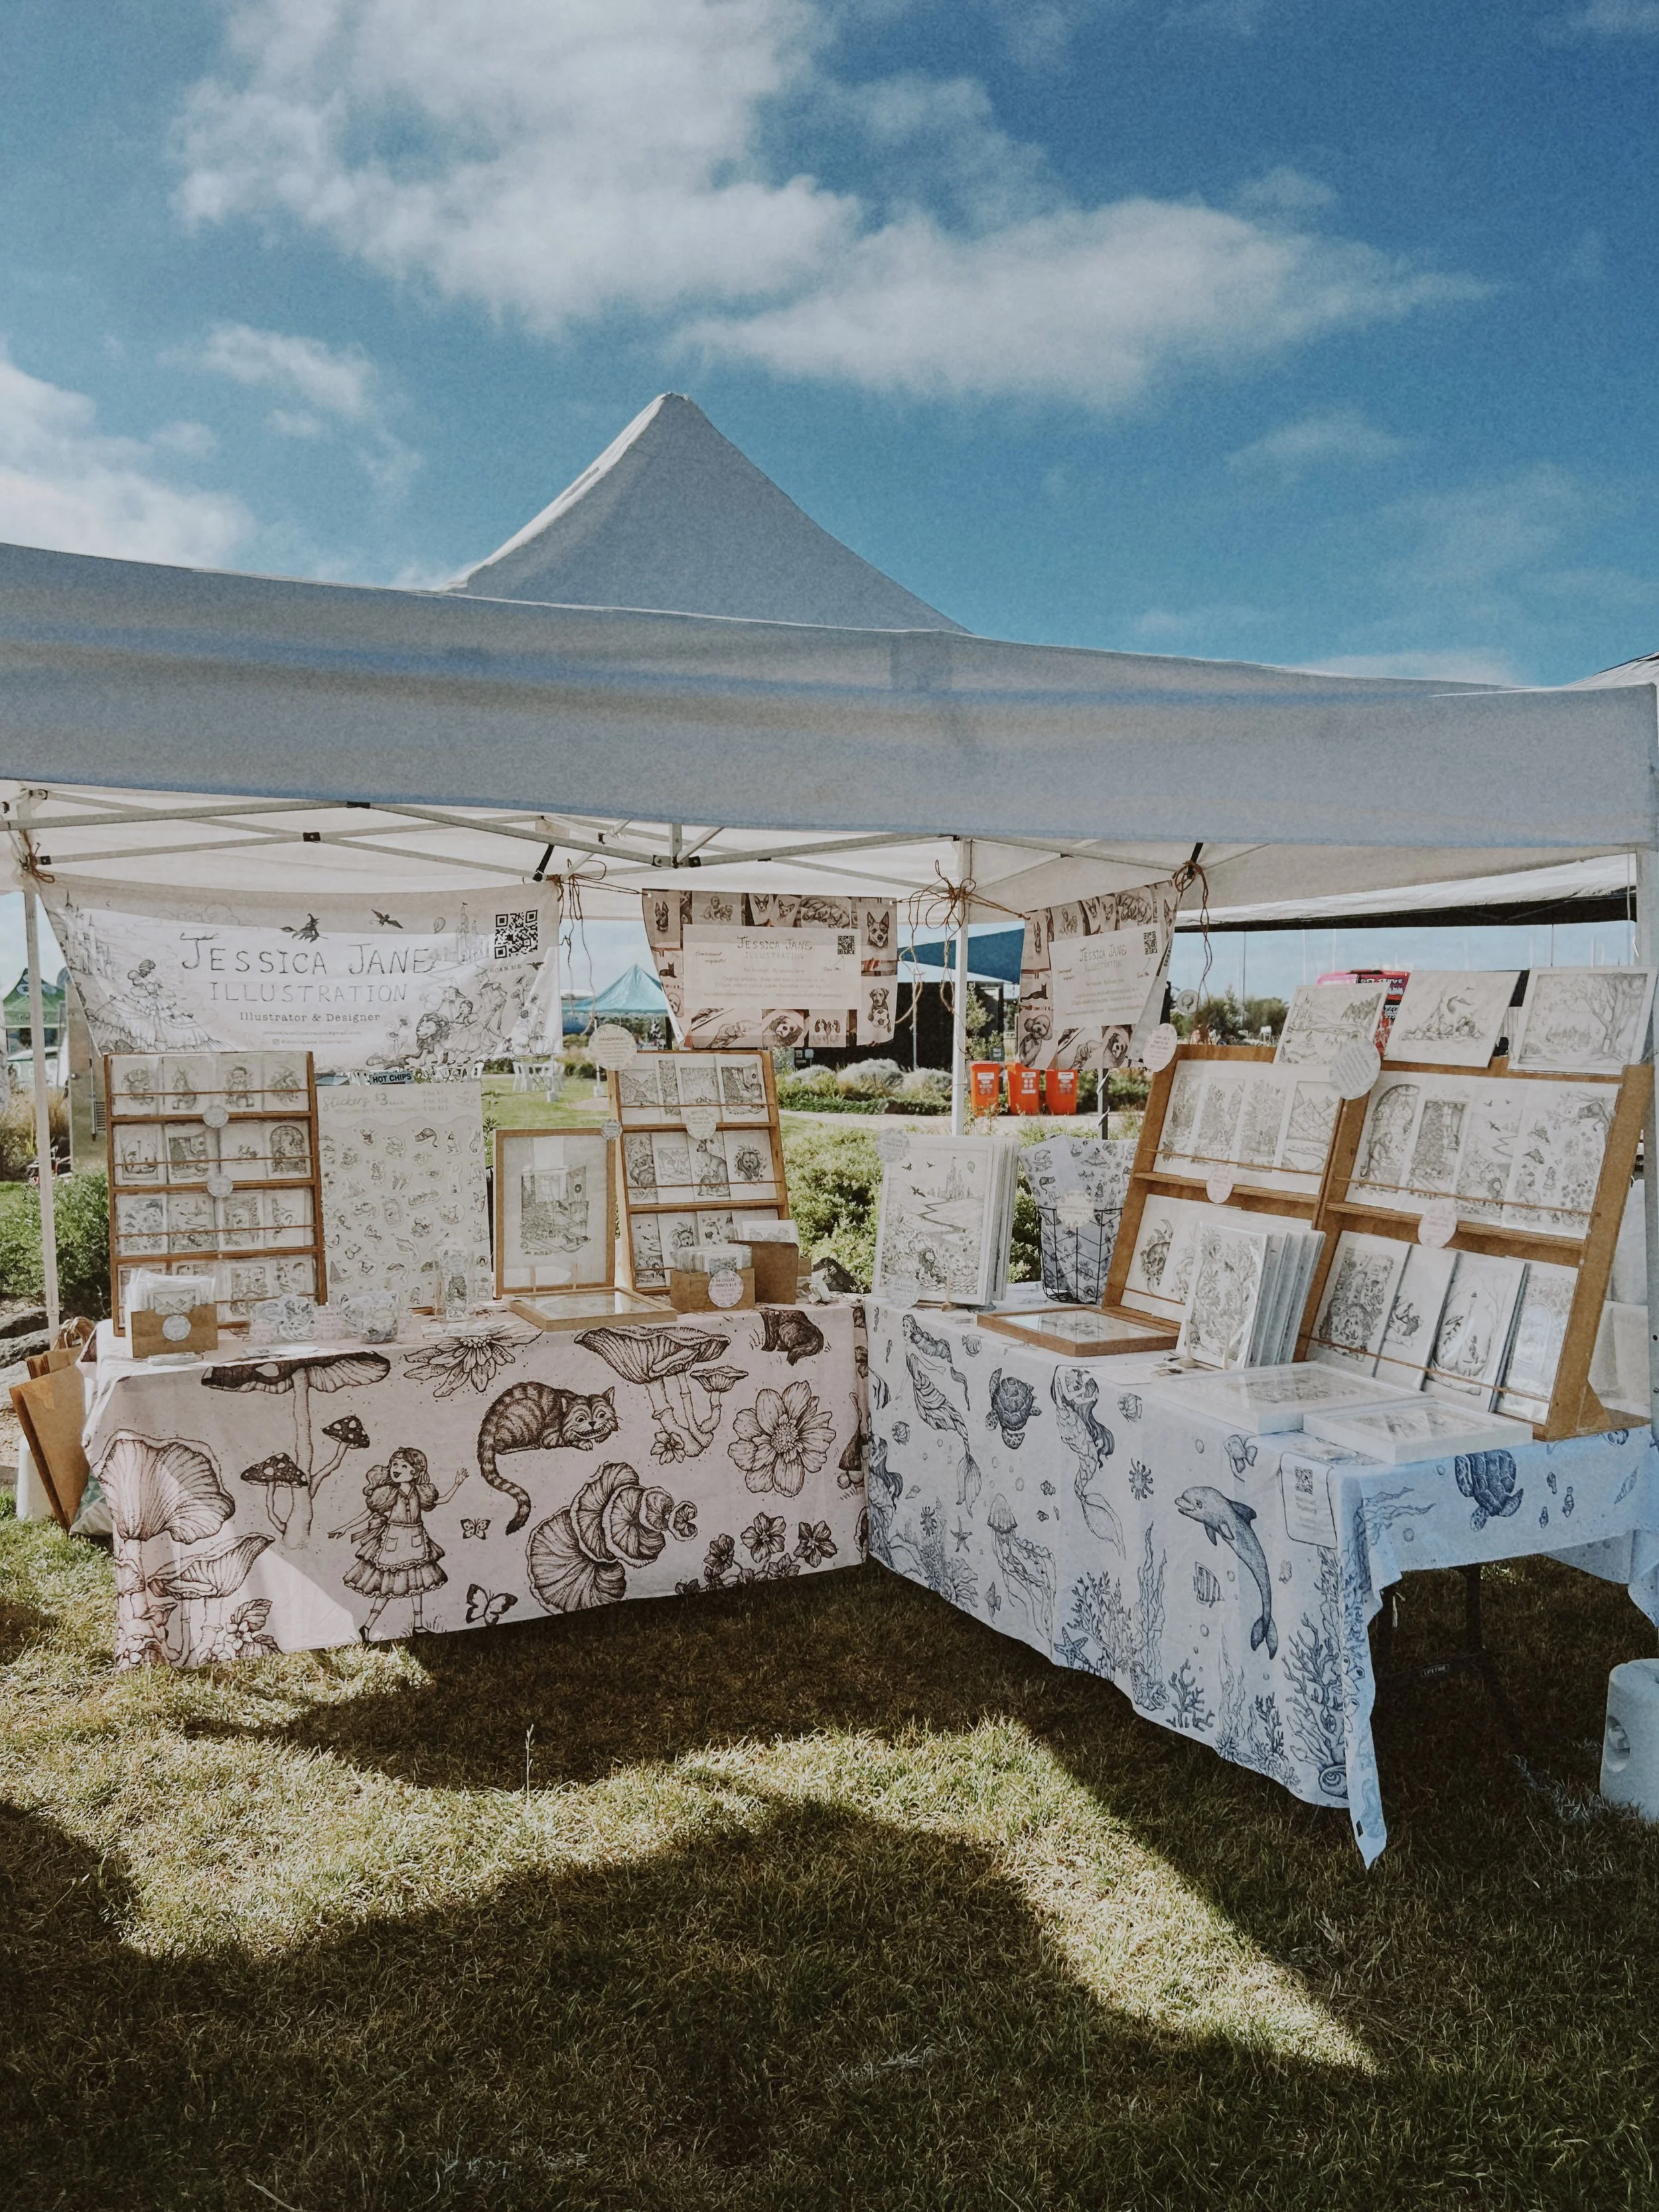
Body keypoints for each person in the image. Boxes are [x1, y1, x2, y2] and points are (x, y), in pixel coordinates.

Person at [330, 1445, 464, 1641]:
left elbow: (441, 1501)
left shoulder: (422, 1492)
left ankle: (418, 1626)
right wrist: (345, 1528)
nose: (397, 1469)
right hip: (394, 1541)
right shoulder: (388, 1493)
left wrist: (457, 1484)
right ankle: (367, 1627)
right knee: (388, 1585)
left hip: (416, 1541)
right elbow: (368, 1513)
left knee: (416, 1584)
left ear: (415, 1471)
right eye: (395, 1464)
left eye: (403, 1465)